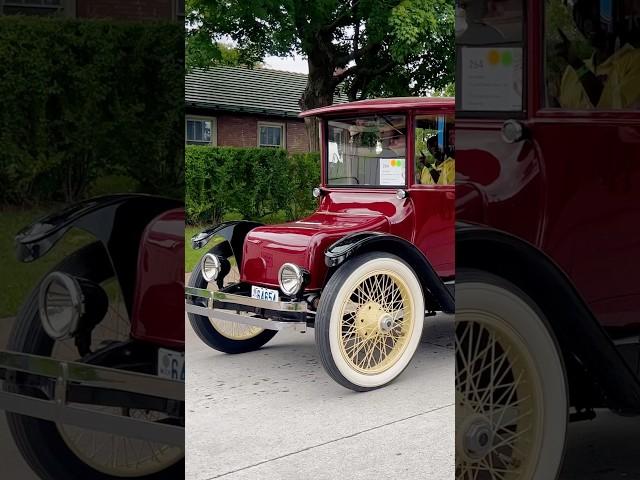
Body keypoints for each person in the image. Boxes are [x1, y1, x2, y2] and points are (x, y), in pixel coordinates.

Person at [555, 0, 640, 109]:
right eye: (584, 21)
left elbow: (611, 109)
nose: (589, 27)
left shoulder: (635, 62)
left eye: (596, 15)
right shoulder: (570, 73)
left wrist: (577, 64)